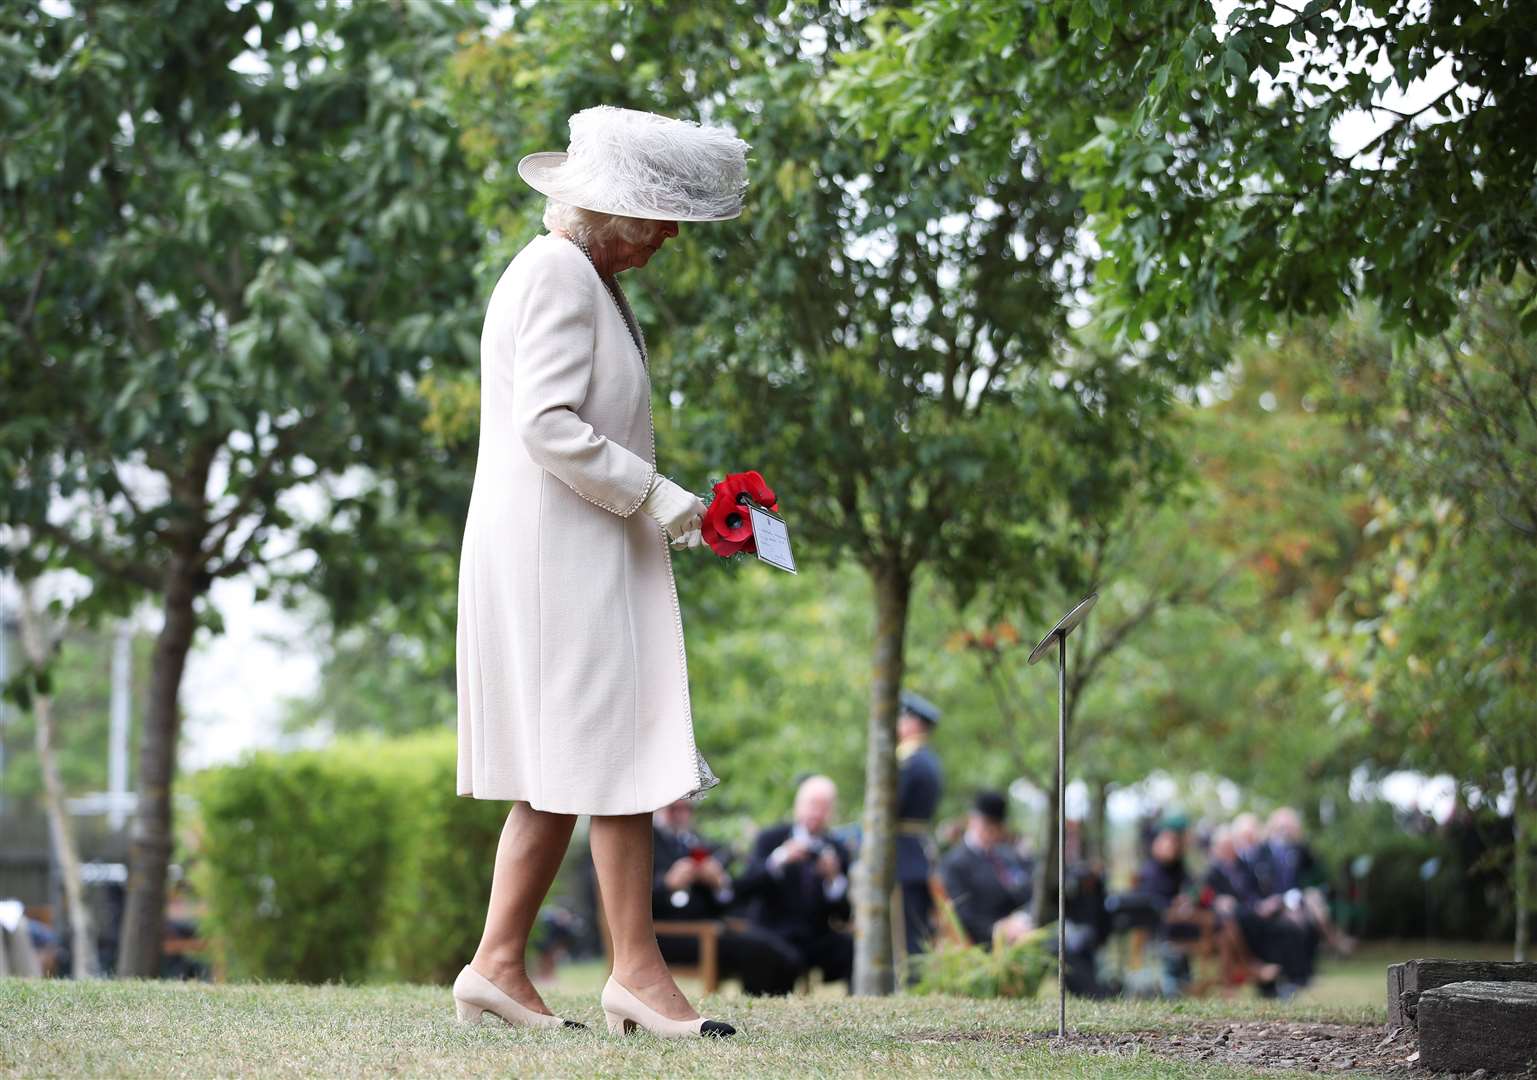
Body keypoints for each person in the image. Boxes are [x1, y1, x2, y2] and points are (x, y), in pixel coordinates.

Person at [453, 105, 749, 1039]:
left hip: (569, 547)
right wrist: (664, 498)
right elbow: (547, 424)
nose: (665, 237)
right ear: (605, 212)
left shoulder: (577, 273)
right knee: (618, 755)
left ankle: (498, 966)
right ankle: (636, 973)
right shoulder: (554, 273)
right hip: (556, 556)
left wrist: (688, 506)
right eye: (654, 218)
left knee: (569, 769)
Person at [651, 800, 801, 995]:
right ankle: (757, 1009)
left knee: (786, 954)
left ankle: (778, 1013)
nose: (681, 814)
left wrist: (718, 883)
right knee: (760, 951)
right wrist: (668, 883)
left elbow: (725, 902)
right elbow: (631, 902)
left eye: (687, 808)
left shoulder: (694, 843)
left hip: (709, 929)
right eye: (674, 809)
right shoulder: (646, 842)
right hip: (669, 935)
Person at [737, 776, 855, 991]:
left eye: (824, 807)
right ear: (798, 806)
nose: (817, 813)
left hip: (813, 936)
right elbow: (744, 887)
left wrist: (834, 880)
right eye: (812, 805)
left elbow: (843, 914)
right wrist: (778, 860)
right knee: (777, 954)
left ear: (832, 812)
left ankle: (859, 1007)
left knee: (851, 946)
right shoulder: (770, 839)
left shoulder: (837, 849)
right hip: (772, 931)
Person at [938, 790, 1033, 948]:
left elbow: (1027, 890)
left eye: (997, 827)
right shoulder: (955, 863)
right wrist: (999, 929)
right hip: (984, 944)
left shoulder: (1007, 855)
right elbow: (963, 915)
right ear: (973, 821)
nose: (992, 832)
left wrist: (1022, 918)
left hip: (1021, 932)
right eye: (987, 825)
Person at [895, 689, 944, 966]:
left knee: (906, 937)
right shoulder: (926, 759)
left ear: (914, 723)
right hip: (916, 852)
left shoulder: (910, 762)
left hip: (903, 855)